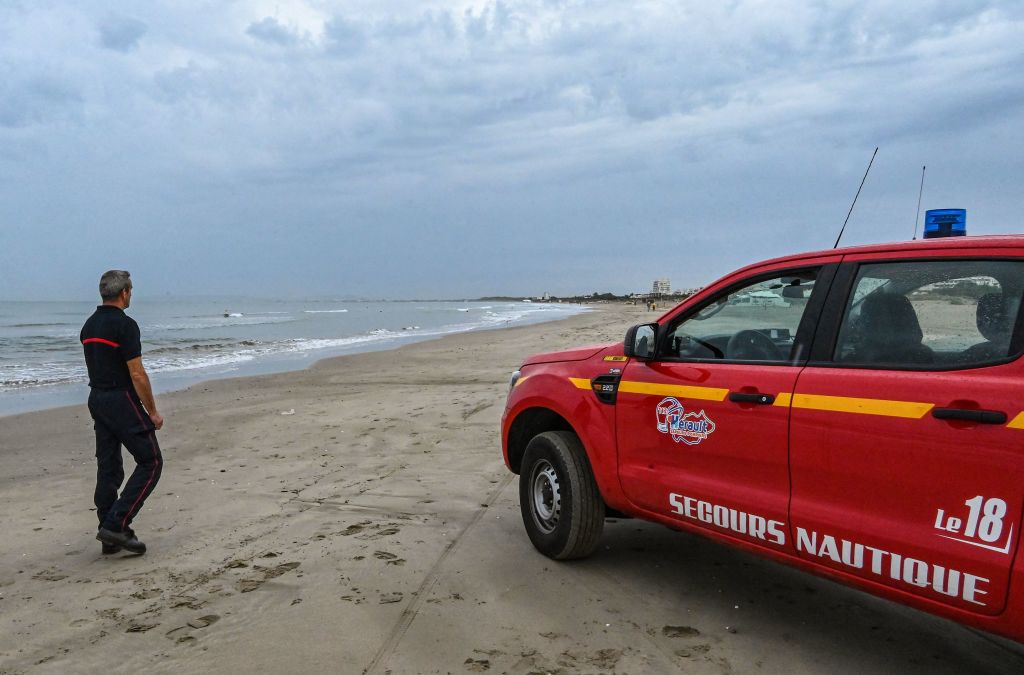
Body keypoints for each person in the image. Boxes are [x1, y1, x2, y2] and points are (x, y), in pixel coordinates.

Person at [80, 270, 164, 555]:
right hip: (120, 399)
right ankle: (116, 525)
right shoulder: (125, 325)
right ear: (124, 292)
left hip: (97, 398)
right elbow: (137, 374)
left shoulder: (89, 325)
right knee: (151, 461)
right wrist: (152, 411)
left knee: (109, 466)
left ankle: (108, 532)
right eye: (131, 291)